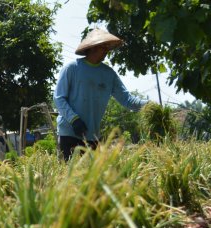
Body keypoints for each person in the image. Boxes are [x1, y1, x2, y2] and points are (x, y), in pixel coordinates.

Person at [53, 28, 146, 160]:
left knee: (92, 178)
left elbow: (127, 99)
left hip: (92, 134)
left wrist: (148, 105)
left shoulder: (108, 74)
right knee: (70, 176)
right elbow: (58, 98)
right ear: (92, 48)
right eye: (104, 47)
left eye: (108, 47)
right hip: (70, 132)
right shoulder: (72, 68)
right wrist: (74, 120)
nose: (107, 50)